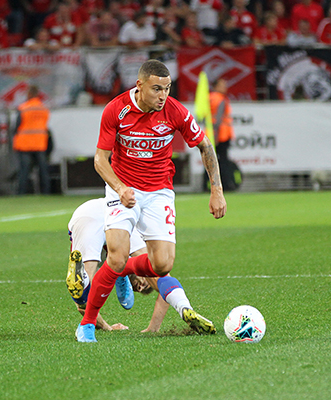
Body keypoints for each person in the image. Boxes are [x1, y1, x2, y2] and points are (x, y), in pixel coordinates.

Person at [75, 59, 227, 342]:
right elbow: (100, 160)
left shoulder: (175, 111)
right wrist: (120, 188)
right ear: (140, 85)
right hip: (123, 190)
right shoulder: (116, 110)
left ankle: (120, 272)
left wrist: (216, 190)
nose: (163, 96)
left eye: (167, 89)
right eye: (157, 89)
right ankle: (87, 324)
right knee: (117, 255)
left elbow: (205, 145)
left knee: (162, 265)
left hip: (159, 192)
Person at [66, 198, 216, 334]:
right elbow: (163, 283)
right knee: (158, 273)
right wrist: (151, 328)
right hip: (115, 213)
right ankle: (183, 306)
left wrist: (108, 327)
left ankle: (184, 307)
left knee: (84, 290)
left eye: (139, 289)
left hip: (99, 212)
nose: (141, 286)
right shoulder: (134, 244)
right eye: (145, 286)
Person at [12, 86, 51, 195]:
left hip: (24, 143)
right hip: (40, 143)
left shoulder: (23, 108)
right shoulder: (44, 108)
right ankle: (46, 192)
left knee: (24, 170)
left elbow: (17, 126)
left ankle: (22, 193)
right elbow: (45, 125)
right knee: (43, 170)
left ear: (29, 94)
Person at [209, 78, 237, 192]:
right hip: (222, 134)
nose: (225, 87)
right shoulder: (221, 99)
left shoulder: (208, 98)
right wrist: (216, 136)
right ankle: (226, 185)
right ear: (216, 86)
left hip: (210, 133)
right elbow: (219, 119)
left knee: (209, 160)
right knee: (223, 160)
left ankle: (206, 184)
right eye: (222, 85)